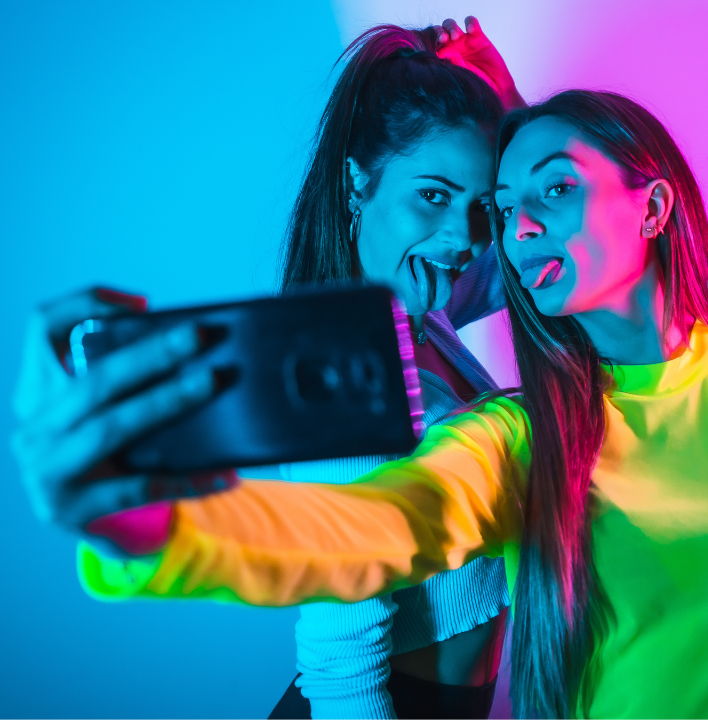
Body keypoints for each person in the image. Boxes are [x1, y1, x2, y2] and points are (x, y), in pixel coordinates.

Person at [14, 89, 708, 718]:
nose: (513, 229)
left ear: (652, 208)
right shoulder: (523, 433)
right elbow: (372, 529)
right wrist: (146, 524)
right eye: (503, 205)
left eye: (549, 192)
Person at [11, 21, 521, 720]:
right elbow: (343, 674)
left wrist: (510, 110)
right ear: (357, 184)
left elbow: (528, 268)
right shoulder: (346, 401)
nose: (465, 238)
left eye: (482, 208)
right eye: (432, 196)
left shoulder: (418, 309)